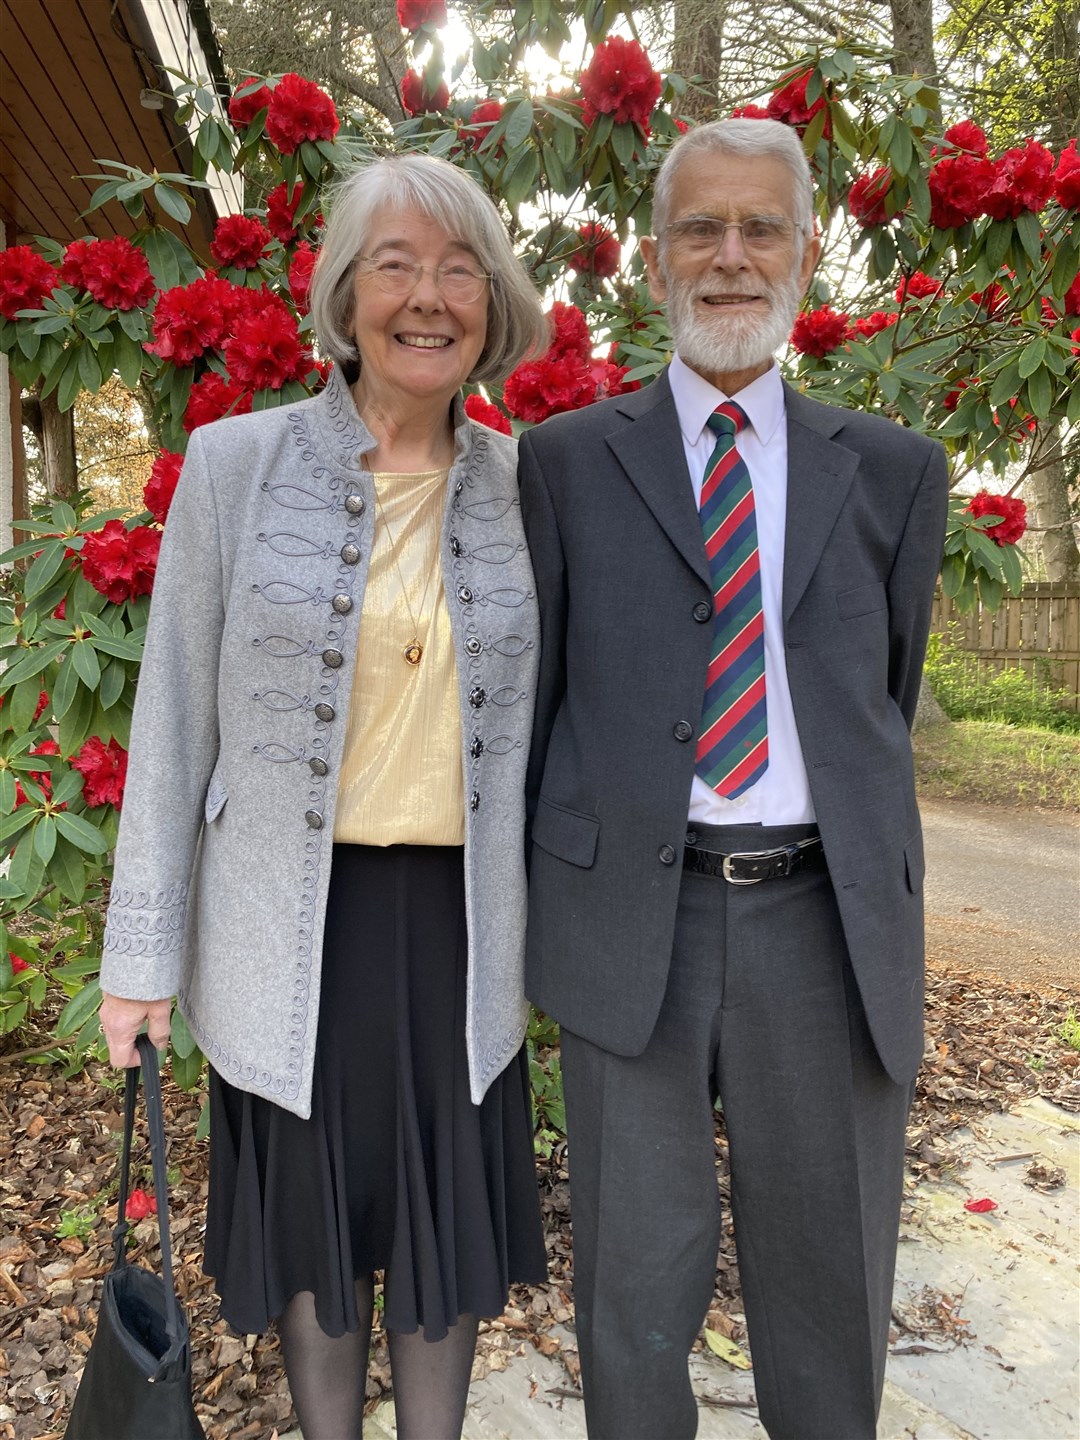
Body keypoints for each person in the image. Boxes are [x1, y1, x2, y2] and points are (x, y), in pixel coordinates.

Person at [98, 152, 549, 1440]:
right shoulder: (234, 466)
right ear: (346, 295)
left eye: (461, 269)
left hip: (462, 935)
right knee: (320, 1239)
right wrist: (141, 963)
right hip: (284, 929)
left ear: (494, 305)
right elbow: (174, 721)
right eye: (395, 265)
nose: (429, 296)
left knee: (436, 1231)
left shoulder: (529, 489)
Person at [518, 118, 949, 1439]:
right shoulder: (566, 464)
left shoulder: (890, 473)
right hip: (632, 930)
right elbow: (540, 703)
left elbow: (882, 696)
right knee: (635, 1301)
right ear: (653, 262)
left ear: (808, 254)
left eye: (762, 227)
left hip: (824, 924)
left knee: (828, 1294)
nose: (731, 257)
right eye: (699, 228)